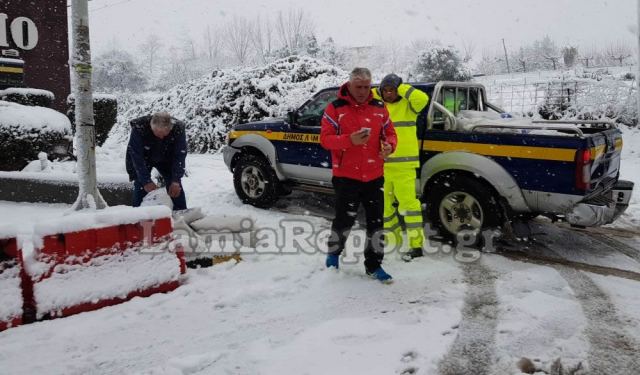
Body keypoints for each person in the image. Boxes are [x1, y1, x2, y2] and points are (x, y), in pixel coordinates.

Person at [320, 67, 397, 283]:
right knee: (344, 221)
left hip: (374, 176)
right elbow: (325, 139)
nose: (363, 91)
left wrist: (389, 146)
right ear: (350, 85)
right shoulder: (335, 108)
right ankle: (333, 255)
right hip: (346, 177)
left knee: (376, 223)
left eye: (366, 87)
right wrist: (348, 140)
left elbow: (390, 133)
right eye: (358, 87)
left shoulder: (379, 108)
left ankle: (374, 265)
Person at [373, 74, 429, 261]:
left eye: (392, 90)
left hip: (404, 166)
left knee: (409, 206)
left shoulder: (409, 106)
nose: (388, 94)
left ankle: (416, 246)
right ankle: (393, 240)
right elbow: (364, 94)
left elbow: (422, 98)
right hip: (383, 165)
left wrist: (402, 86)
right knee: (385, 208)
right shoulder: (378, 106)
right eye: (385, 90)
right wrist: (379, 89)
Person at [126, 112, 188, 210]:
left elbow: (180, 154)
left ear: (170, 128)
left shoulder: (178, 128)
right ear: (151, 126)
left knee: (175, 186)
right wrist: (146, 181)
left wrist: (176, 180)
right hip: (144, 157)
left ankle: (181, 214)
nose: (161, 137)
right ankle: (137, 215)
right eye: (158, 133)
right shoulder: (139, 127)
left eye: (165, 133)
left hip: (167, 157)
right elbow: (136, 156)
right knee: (140, 184)